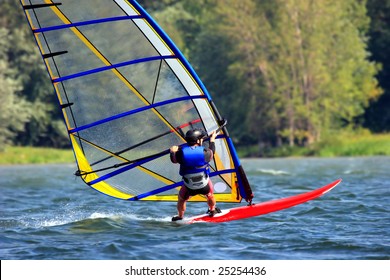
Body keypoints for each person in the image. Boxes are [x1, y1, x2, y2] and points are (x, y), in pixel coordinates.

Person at [170, 128, 221, 221]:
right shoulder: (205, 152)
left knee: (181, 199)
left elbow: (174, 160)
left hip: (189, 187)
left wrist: (173, 151)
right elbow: (212, 151)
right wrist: (212, 139)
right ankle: (212, 209)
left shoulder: (181, 153)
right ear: (198, 140)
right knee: (210, 195)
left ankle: (180, 216)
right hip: (204, 185)